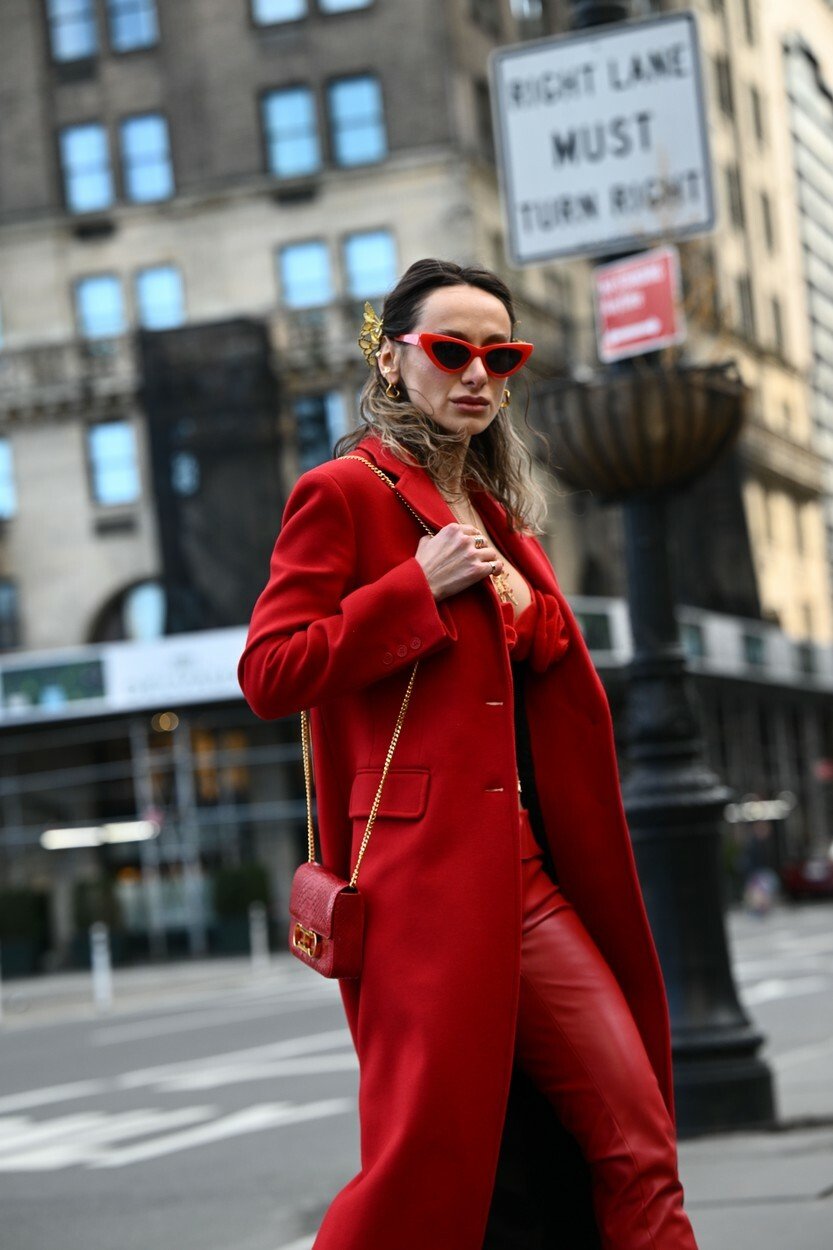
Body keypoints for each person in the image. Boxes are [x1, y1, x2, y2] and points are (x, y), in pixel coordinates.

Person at [237, 258, 699, 1250]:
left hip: (528, 877)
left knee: (632, 1133)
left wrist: (535, 617)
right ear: (391, 358)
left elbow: (520, 669)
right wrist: (411, 588)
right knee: (425, 1170)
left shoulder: (491, 505)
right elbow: (271, 670)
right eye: (452, 350)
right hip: (422, 892)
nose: (476, 373)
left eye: (501, 353)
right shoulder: (341, 493)